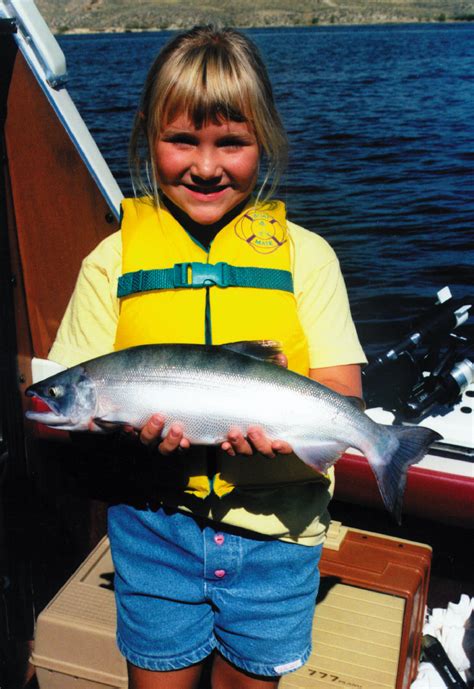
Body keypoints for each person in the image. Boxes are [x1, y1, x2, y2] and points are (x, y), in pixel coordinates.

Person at [49, 25, 366, 689]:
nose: (206, 164)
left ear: (265, 139)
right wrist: (118, 439)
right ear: (146, 135)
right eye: (182, 139)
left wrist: (290, 441)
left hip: (276, 538)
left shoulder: (309, 258)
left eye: (232, 142)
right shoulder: (110, 262)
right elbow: (55, 406)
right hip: (153, 530)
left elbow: (344, 395)